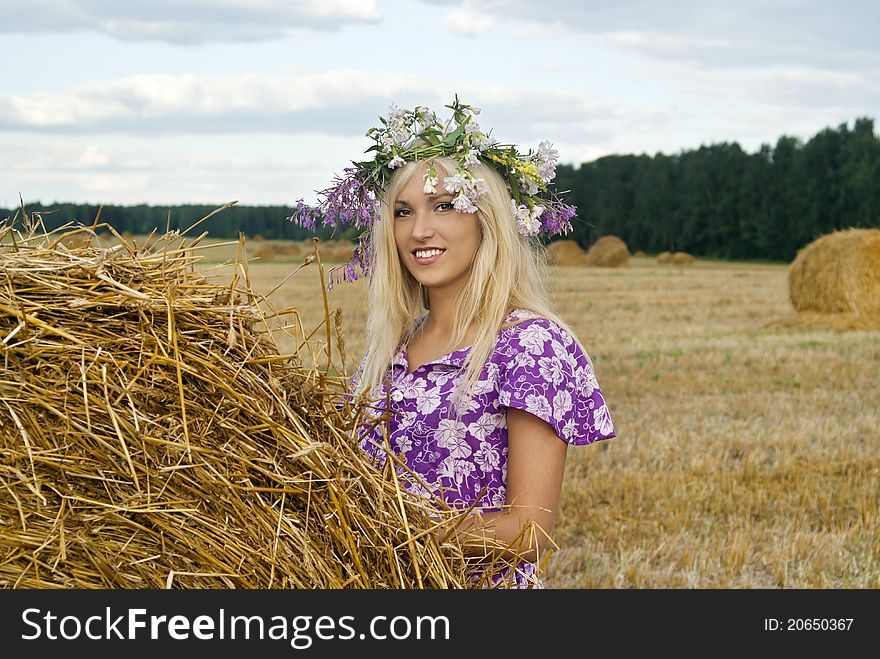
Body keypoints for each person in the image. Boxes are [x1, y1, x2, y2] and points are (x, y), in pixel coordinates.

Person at [290, 97, 615, 588]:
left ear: (486, 220)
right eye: (403, 212)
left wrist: (390, 533)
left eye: (444, 206)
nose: (419, 230)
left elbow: (528, 530)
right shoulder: (390, 353)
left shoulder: (529, 346)